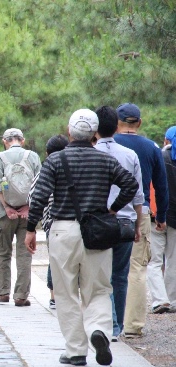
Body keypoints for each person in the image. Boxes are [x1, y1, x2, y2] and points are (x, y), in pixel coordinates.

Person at [26, 108, 139, 366]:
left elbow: (40, 196)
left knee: (66, 292)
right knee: (99, 289)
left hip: (62, 231)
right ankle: (98, 330)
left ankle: (76, 350)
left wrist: (31, 229)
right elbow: (130, 185)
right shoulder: (106, 161)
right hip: (96, 232)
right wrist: (111, 209)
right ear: (95, 134)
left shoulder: (55, 161)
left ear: (69, 132)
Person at [114, 103, 169, 338]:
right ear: (140, 123)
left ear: (117, 122)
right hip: (139, 212)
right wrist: (161, 216)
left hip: (107, 213)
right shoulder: (151, 147)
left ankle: (108, 320)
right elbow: (161, 185)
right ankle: (133, 324)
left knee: (107, 267)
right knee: (137, 268)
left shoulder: (109, 144)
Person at [94, 105, 144, 341]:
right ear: (116, 127)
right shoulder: (129, 155)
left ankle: (109, 322)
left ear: (95, 129)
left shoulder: (92, 153)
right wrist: (138, 225)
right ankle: (118, 326)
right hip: (124, 220)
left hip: (97, 222)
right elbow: (138, 195)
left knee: (100, 275)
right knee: (120, 276)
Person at [0, 128, 41, 306]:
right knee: (24, 253)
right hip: (28, 213)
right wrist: (28, 207)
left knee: (4, 252)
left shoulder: (0, 157)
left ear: (5, 141)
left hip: (6, 213)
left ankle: (2, 292)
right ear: (23, 140)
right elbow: (39, 185)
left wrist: (7, 207)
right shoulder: (33, 156)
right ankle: (21, 296)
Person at [28, 134, 69, 310]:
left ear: (47, 152)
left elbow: (33, 197)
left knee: (55, 259)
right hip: (70, 218)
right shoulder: (71, 169)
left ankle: (54, 296)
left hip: (50, 222)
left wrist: (32, 225)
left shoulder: (45, 171)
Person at [147, 126, 176, 314]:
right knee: (174, 260)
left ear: (166, 140)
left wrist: (155, 212)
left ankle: (160, 299)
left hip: (157, 216)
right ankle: (173, 299)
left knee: (154, 261)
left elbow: (152, 186)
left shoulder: (159, 157)